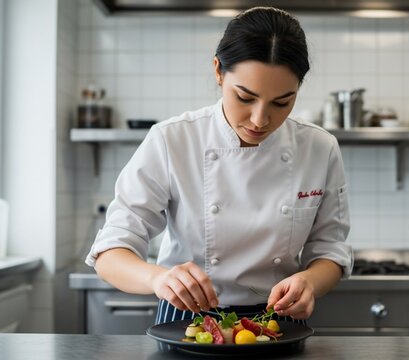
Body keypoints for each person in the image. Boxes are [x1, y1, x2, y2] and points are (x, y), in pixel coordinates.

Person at [85, 6, 352, 325]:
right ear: (218, 72)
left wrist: (309, 282)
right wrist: (159, 279)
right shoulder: (172, 140)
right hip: (187, 319)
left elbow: (330, 251)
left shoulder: (319, 147)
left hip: (277, 320)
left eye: (282, 102)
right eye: (244, 97)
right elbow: (111, 252)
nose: (260, 119)